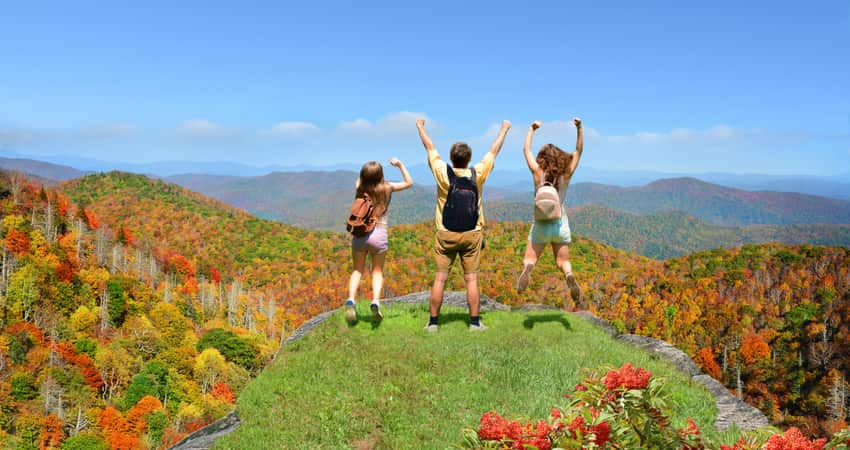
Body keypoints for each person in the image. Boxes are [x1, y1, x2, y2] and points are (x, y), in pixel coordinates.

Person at [416, 117, 511, 332]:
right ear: (469, 159)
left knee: (440, 280)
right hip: (472, 233)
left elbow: (429, 146)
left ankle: (433, 323)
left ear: (451, 158)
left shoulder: (442, 172)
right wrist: (504, 129)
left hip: (445, 233)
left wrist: (420, 126)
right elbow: (493, 151)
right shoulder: (477, 174)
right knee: (471, 280)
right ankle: (475, 323)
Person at [516, 118, 586, 310]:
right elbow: (579, 151)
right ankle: (569, 275)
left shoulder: (537, 172)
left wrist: (531, 129)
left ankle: (528, 269)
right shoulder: (567, 173)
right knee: (563, 261)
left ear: (543, 158)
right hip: (560, 224)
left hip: (540, 224)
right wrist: (579, 128)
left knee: (530, 258)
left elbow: (525, 150)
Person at [344, 158, 414, 324]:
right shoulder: (387, 188)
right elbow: (409, 182)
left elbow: (359, 179)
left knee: (357, 270)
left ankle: (351, 300)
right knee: (377, 271)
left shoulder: (360, 187)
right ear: (381, 175)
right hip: (379, 234)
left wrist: (366, 173)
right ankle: (375, 301)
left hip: (360, 235)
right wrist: (400, 165)